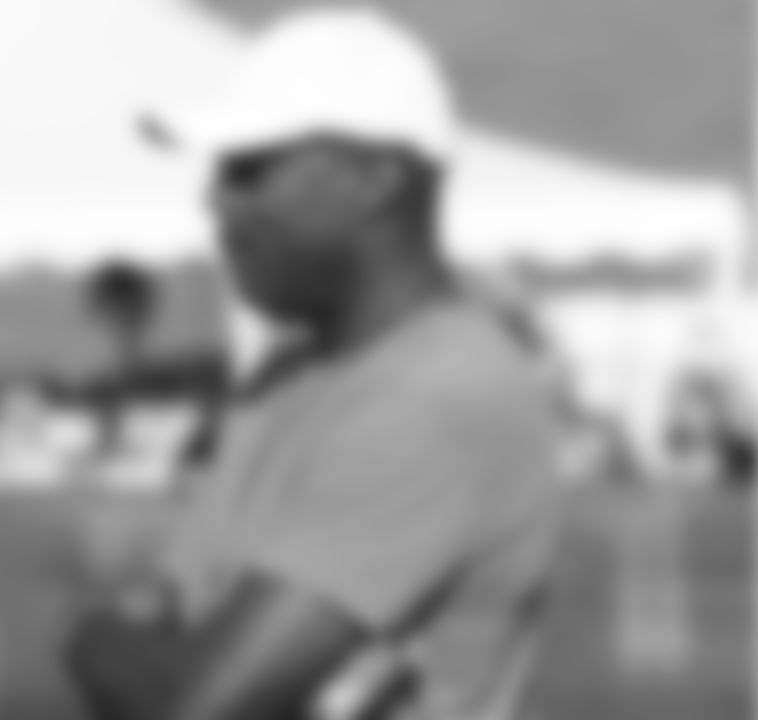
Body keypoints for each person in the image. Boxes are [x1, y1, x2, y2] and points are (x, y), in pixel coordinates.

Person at [65, 8, 563, 720]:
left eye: (248, 168)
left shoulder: (438, 399)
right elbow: (178, 602)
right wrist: (143, 648)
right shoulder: (286, 373)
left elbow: (191, 703)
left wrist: (86, 640)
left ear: (375, 179)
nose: (213, 199)